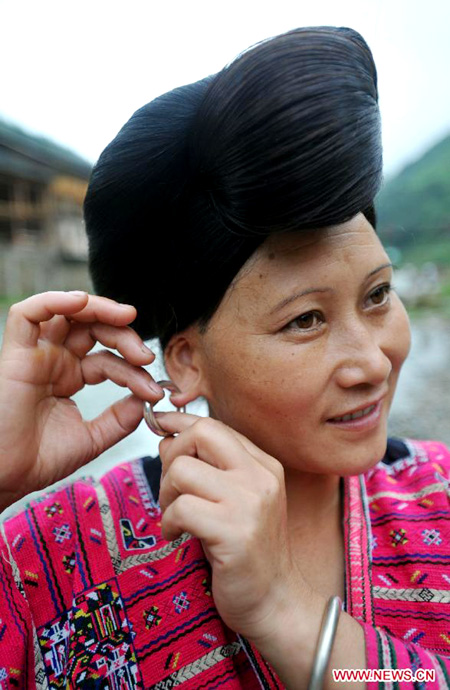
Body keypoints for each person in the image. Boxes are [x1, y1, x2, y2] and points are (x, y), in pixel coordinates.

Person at [0, 25, 449, 690]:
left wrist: (291, 617)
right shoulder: (53, 553)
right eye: (306, 319)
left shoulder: (440, 500)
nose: (373, 363)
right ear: (184, 361)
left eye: (379, 295)